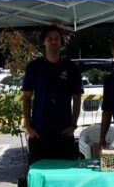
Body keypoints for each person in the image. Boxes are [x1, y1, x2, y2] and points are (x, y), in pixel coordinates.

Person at [22, 26, 83, 165]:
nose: (53, 41)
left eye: (57, 39)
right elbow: (26, 97)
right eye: (50, 39)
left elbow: (77, 97)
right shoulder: (34, 67)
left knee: (65, 173)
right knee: (39, 173)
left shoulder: (71, 67)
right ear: (44, 42)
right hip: (39, 131)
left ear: (61, 42)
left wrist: (73, 125)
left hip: (63, 131)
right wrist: (28, 126)